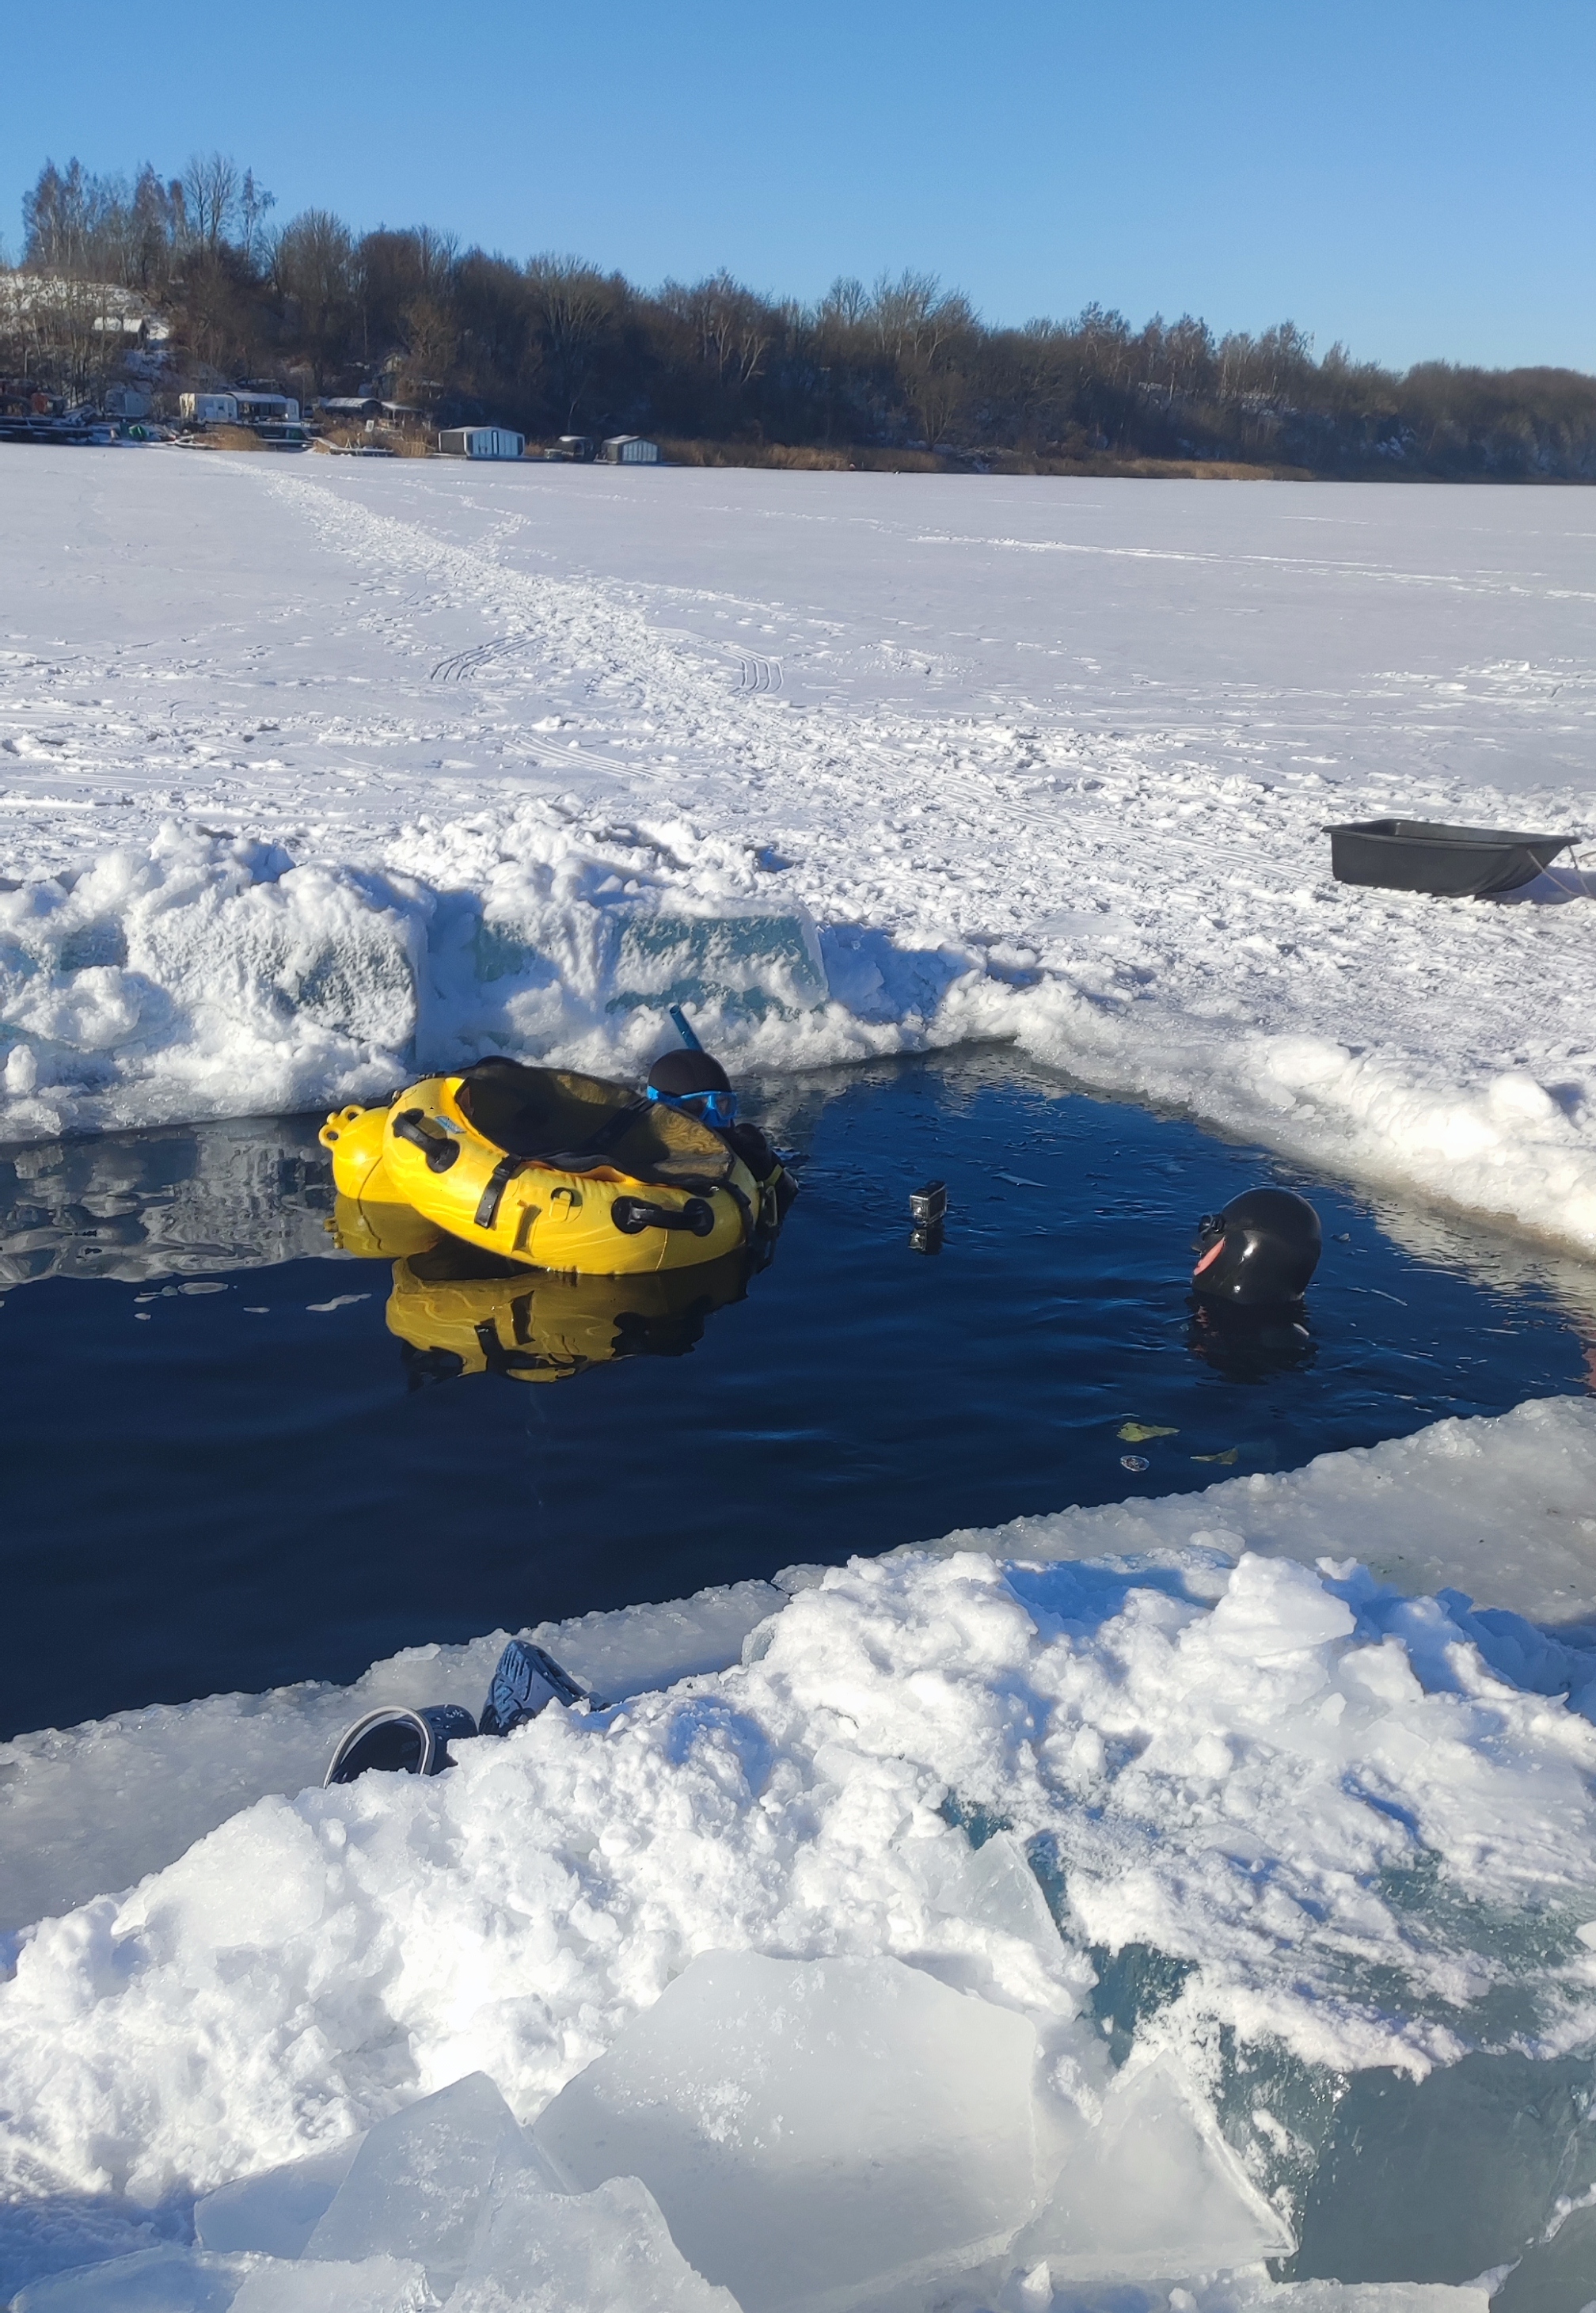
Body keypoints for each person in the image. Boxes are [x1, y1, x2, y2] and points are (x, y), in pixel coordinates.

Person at [645, 1047, 796, 1230]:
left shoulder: (744, 1149)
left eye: (722, 1105)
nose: (715, 1120)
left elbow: (789, 1192)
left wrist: (763, 1163)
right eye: (696, 1107)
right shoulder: (640, 1148)